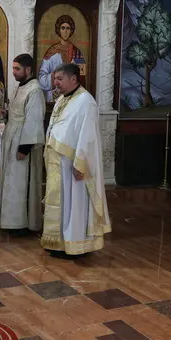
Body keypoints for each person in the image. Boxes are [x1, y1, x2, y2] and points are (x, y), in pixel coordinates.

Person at [42, 63, 110, 257]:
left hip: (74, 164)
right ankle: (57, 242)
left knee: (74, 204)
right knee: (61, 205)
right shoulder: (62, 99)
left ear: (73, 78)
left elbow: (88, 135)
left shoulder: (86, 101)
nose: (56, 83)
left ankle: (75, 244)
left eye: (60, 79)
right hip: (58, 164)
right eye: (55, 79)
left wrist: (80, 163)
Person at [0, 54, 46, 233]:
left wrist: (24, 148)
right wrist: (7, 113)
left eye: (17, 69)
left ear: (28, 69)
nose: (14, 72)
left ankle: (21, 223)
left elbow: (34, 120)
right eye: (13, 68)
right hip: (13, 138)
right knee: (11, 181)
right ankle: (9, 220)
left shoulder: (35, 90)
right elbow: (18, 112)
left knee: (21, 182)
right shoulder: (21, 86)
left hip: (23, 143)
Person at [39, 15, 86, 102]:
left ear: (71, 31)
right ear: (59, 30)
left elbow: (81, 76)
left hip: (72, 97)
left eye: (68, 28)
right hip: (54, 97)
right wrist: (54, 80)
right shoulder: (51, 51)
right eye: (63, 28)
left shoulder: (76, 52)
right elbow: (41, 77)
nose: (65, 31)